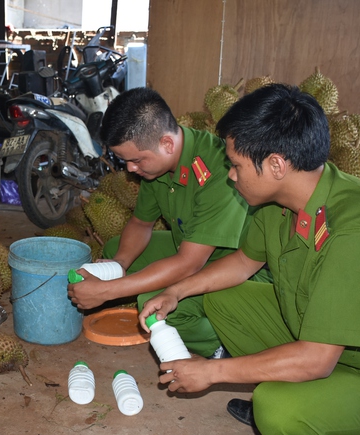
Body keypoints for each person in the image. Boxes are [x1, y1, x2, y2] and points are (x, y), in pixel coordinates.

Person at [139, 84, 360, 435]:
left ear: (275, 165)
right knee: (219, 297)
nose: (231, 176)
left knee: (276, 412)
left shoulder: (354, 227)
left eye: (235, 165)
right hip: (316, 333)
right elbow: (242, 263)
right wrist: (176, 291)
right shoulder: (279, 200)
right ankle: (307, 397)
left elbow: (317, 360)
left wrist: (211, 372)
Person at [67, 87, 269, 358]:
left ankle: (223, 344)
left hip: (236, 264)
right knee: (116, 250)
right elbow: (140, 224)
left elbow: (189, 263)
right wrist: (120, 265)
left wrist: (107, 291)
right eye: (125, 161)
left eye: (136, 160)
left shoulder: (218, 171)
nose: (130, 169)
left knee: (153, 308)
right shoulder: (157, 167)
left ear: (167, 144)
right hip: (191, 248)